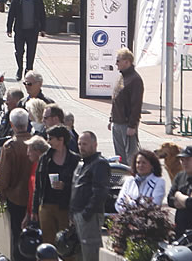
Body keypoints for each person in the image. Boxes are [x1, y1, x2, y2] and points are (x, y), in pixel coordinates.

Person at [29, 125, 78, 243]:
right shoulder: (45, 158)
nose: (48, 141)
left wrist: (64, 186)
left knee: (65, 242)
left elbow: (78, 185)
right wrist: (35, 210)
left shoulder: (74, 159)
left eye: (51, 138)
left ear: (61, 140)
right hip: (46, 205)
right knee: (48, 241)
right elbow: (38, 185)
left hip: (65, 207)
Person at [69, 131, 111, 261]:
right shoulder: (81, 163)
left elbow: (100, 192)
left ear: (95, 145)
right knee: (80, 252)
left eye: (85, 144)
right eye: (80, 144)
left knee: (91, 251)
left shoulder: (99, 164)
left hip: (89, 216)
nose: (81, 147)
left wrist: (87, 213)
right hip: (76, 214)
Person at [0, 107, 34, 252]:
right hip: (33, 197)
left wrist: (2, 194)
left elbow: (3, 177)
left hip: (15, 198)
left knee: (17, 237)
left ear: (12, 125)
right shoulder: (36, 143)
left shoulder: (10, 146)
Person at [7, 0, 46, 78]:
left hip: (32, 30)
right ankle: (20, 68)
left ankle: (29, 70)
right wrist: (9, 28)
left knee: (31, 51)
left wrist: (43, 29)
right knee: (19, 51)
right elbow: (11, 14)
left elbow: (42, 14)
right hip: (20, 30)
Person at [110, 48, 143, 162]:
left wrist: (132, 125)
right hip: (117, 122)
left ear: (127, 62)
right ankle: (121, 178)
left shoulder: (135, 80)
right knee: (119, 156)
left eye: (118, 61)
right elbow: (115, 99)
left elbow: (136, 105)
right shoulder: (122, 77)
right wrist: (111, 119)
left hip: (127, 124)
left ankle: (131, 177)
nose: (116, 63)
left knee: (131, 156)